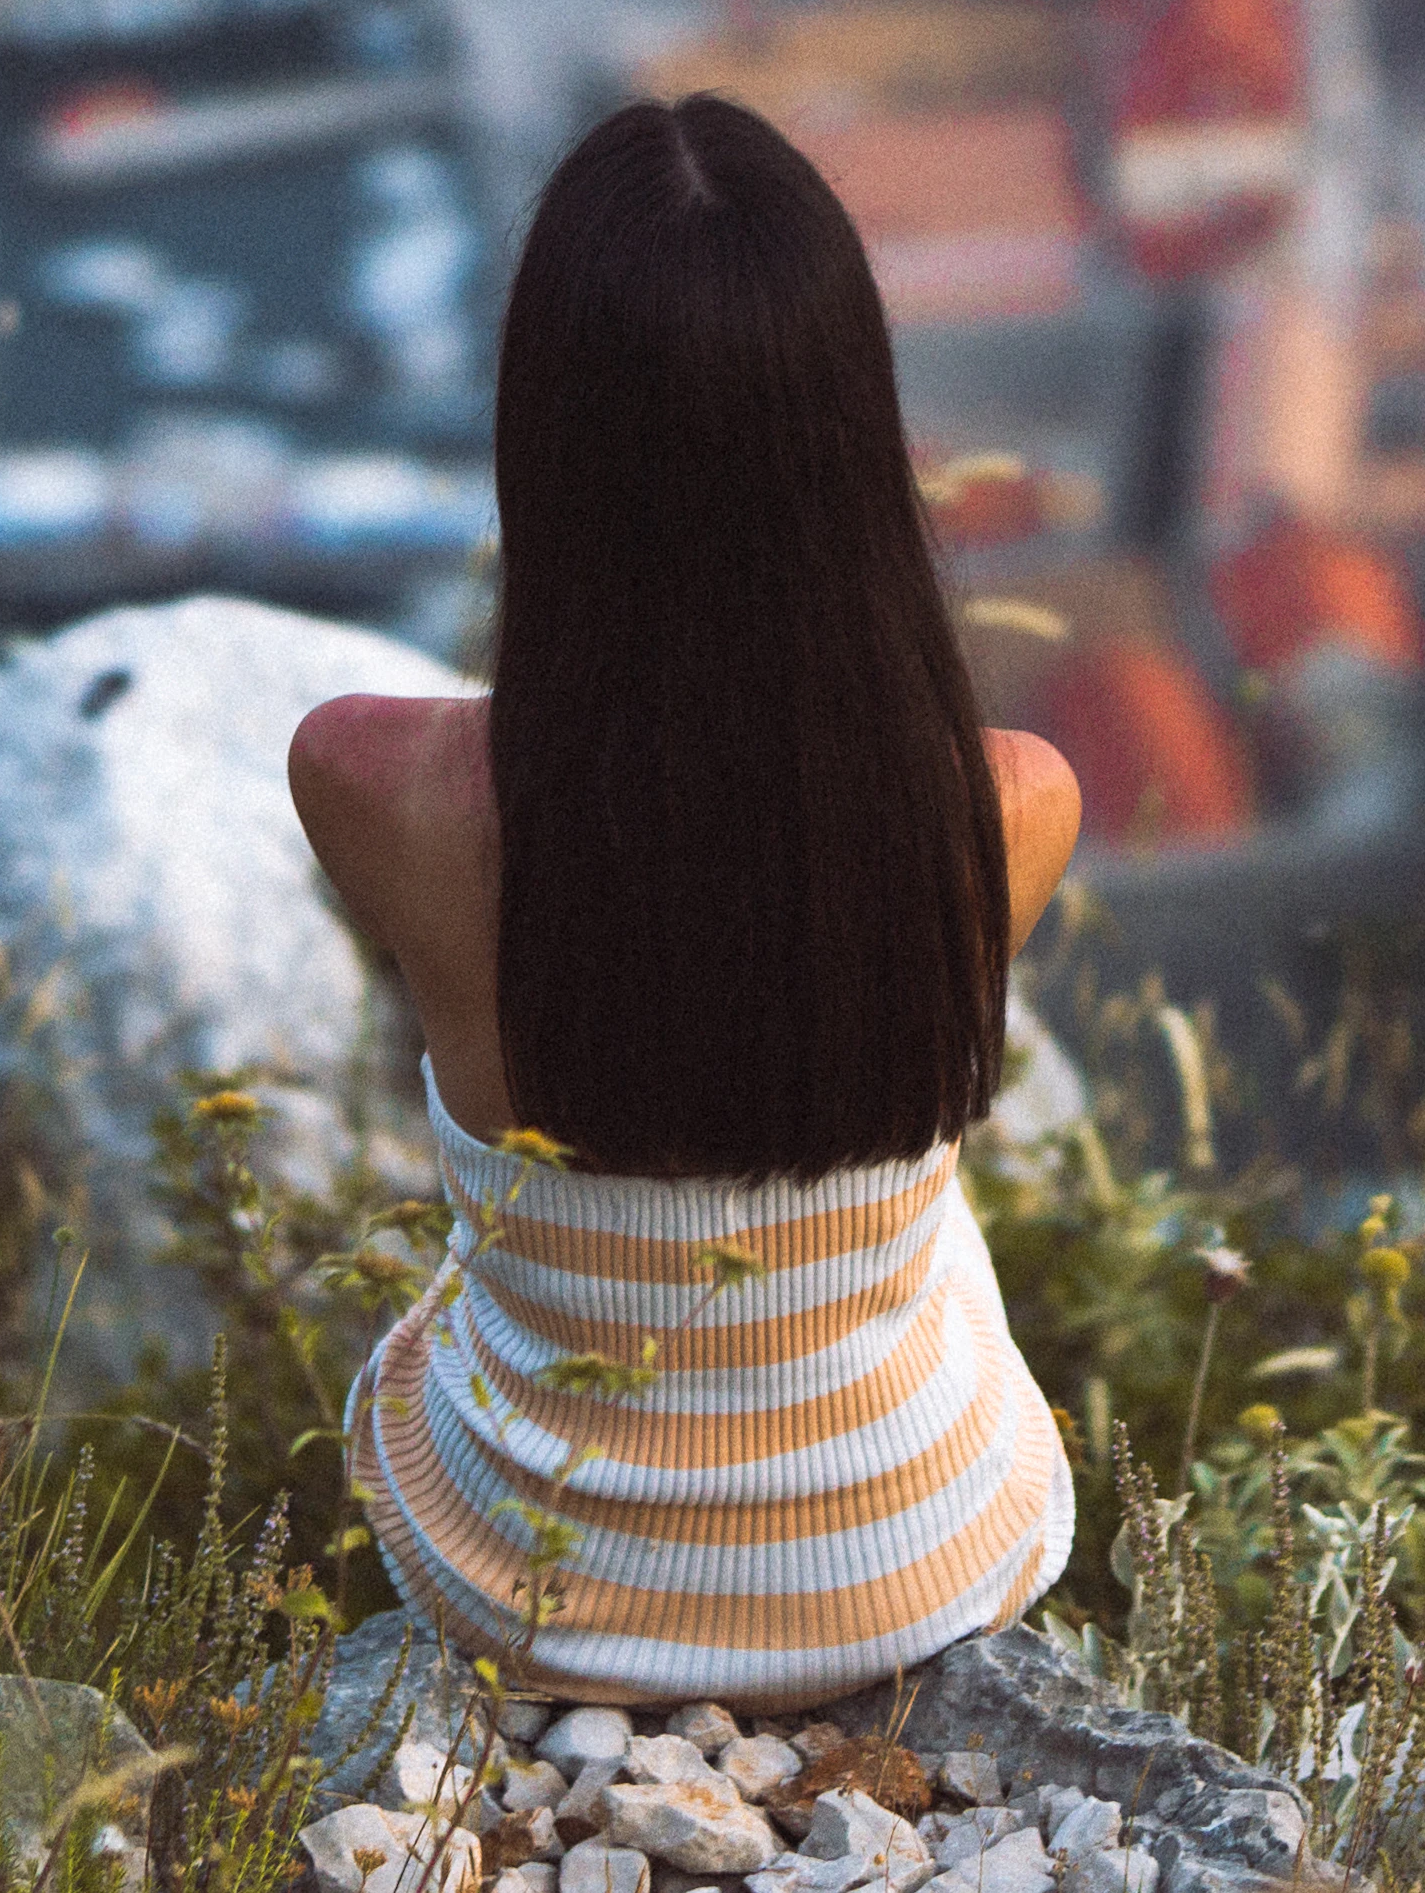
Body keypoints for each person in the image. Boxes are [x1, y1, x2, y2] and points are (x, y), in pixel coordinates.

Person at [289, 92, 1084, 1707]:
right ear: (858, 438)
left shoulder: (372, 783)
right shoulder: (1009, 805)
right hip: (912, 1549)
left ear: (543, 432)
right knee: (940, 1247)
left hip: (541, 1579)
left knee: (458, 1295)